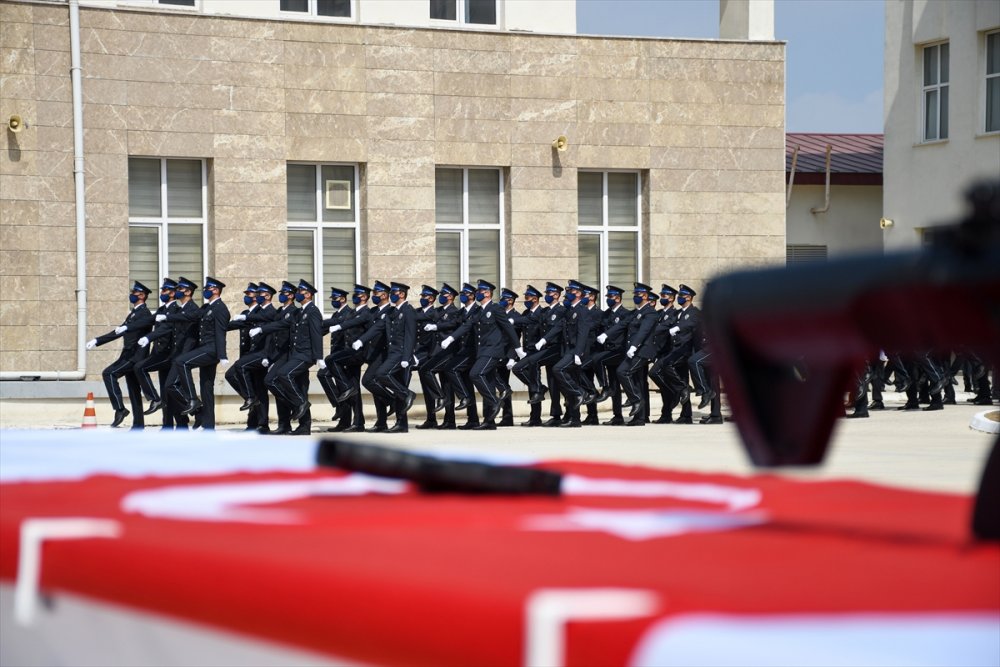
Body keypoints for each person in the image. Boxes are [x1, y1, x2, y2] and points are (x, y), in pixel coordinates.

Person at [441, 279, 521, 430]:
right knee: (488, 383)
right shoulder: (478, 311)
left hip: (493, 350)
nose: (477, 293)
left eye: (479, 291)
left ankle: (495, 401)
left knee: (475, 374)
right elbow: (467, 326)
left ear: (488, 293)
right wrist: (451, 338)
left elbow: (509, 329)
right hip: (481, 351)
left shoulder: (496, 309)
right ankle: (489, 421)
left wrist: (517, 349)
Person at [87, 281, 155, 429]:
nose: (132, 295)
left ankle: (120, 409)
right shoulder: (134, 313)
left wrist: (100, 340)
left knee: (109, 373)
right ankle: (138, 425)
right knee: (133, 391)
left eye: (134, 292)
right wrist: (97, 340)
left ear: (142, 295)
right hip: (129, 354)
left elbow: (127, 329)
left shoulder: (144, 313)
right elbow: (119, 332)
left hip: (134, 356)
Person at [164, 276, 230, 429]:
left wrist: (222, 355)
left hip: (211, 350)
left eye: (209, 288)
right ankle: (208, 426)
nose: (205, 290)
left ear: (216, 290)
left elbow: (220, 332)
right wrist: (169, 316)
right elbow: (191, 316)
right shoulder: (206, 308)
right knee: (206, 387)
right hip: (204, 348)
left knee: (182, 362)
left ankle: (193, 399)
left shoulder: (221, 308)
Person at [353, 281, 417, 433]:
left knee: (383, 375)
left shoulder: (408, 310)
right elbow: (378, 327)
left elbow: (410, 335)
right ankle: (399, 419)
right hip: (392, 353)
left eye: (394, 292)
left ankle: (406, 398)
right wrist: (361, 340)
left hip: (401, 354)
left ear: (401, 294)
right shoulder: (393, 311)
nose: (392, 295)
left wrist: (406, 357)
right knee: (384, 381)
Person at [271, 279, 324, 435]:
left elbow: (316, 334)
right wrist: (262, 329)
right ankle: (304, 426)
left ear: (308, 294)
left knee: (284, 374)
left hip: (305, 355)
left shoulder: (313, 311)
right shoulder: (299, 312)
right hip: (297, 354)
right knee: (301, 388)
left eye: (300, 292)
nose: (298, 294)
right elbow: (283, 324)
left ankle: (301, 403)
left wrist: (319, 356)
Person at [147, 276, 200, 430]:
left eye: (179, 289)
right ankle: (178, 423)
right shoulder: (179, 309)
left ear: (188, 291)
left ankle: (196, 411)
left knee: (172, 387)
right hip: (174, 355)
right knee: (169, 390)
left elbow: (185, 334)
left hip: (182, 356)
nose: (177, 292)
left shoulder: (189, 309)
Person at [227, 282, 278, 432]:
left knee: (260, 389)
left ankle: (262, 424)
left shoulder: (264, 312)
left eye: (250, 295)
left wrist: (268, 356)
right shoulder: (249, 313)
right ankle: (252, 411)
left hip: (261, 355)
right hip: (249, 355)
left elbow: (271, 335)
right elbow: (236, 325)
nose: (248, 297)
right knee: (233, 376)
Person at [251, 281, 298, 434]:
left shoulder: (293, 311)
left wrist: (261, 329)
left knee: (271, 381)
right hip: (277, 354)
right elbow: (273, 335)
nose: (281, 295)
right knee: (275, 386)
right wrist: (267, 355)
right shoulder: (280, 310)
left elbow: (279, 326)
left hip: (288, 354)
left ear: (291, 295)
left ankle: (294, 406)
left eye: (284, 293)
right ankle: (284, 424)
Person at [326, 284, 374, 432]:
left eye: (357, 295)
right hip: (349, 353)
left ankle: (356, 421)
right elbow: (339, 321)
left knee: (331, 361)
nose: (354, 297)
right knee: (353, 388)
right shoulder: (352, 312)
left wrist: (339, 326)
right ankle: (351, 422)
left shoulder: (366, 312)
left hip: (357, 354)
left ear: (365, 297)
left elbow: (350, 323)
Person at [134, 278, 178, 427]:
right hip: (159, 353)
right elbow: (147, 321)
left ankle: (154, 399)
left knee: (140, 367)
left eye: (164, 290)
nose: (162, 293)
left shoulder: (175, 310)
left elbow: (166, 329)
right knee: (166, 391)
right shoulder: (161, 310)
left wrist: (148, 337)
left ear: (172, 293)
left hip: (168, 355)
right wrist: (127, 327)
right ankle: (167, 425)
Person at [612, 283, 658, 426]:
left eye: (638, 294)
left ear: (645, 296)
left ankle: (636, 399)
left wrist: (633, 346)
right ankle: (640, 417)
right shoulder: (635, 312)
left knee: (623, 371)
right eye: (635, 294)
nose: (635, 297)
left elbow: (643, 331)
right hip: (634, 351)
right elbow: (621, 325)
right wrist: (605, 335)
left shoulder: (650, 312)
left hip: (642, 351)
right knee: (637, 382)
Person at [592, 285, 632, 425]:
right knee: (615, 384)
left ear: (618, 298)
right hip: (609, 351)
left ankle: (605, 387)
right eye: (607, 297)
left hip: (619, 351)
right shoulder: (606, 314)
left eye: (610, 297)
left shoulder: (625, 314)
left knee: (598, 360)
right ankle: (618, 416)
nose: (608, 299)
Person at [317, 286, 354, 432]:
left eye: (335, 299)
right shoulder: (335, 315)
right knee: (326, 378)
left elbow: (338, 322)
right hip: (335, 357)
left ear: (343, 299)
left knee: (342, 387)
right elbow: (322, 331)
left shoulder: (348, 313)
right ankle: (341, 414)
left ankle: (345, 418)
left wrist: (316, 322)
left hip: (344, 356)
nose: (333, 302)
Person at [509, 285, 546, 426]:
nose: (526, 300)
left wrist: (514, 320)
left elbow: (530, 321)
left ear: (535, 299)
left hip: (537, 352)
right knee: (533, 385)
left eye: (528, 297)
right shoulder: (525, 313)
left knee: (527, 377)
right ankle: (535, 416)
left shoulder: (541, 313)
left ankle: (536, 416)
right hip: (527, 352)